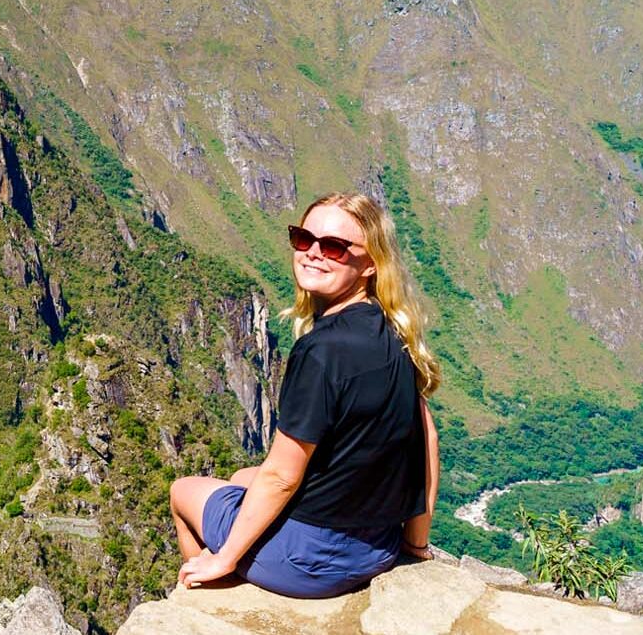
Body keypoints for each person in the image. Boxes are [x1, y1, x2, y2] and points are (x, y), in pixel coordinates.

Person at [168, 192, 443, 599]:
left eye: (334, 246)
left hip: (312, 562)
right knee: (244, 478)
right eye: (304, 238)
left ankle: (214, 586)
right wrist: (415, 543)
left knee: (183, 490)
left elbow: (282, 476)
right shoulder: (391, 331)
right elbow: (427, 440)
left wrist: (225, 557)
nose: (314, 253)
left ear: (370, 264)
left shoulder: (320, 352)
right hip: (378, 547)